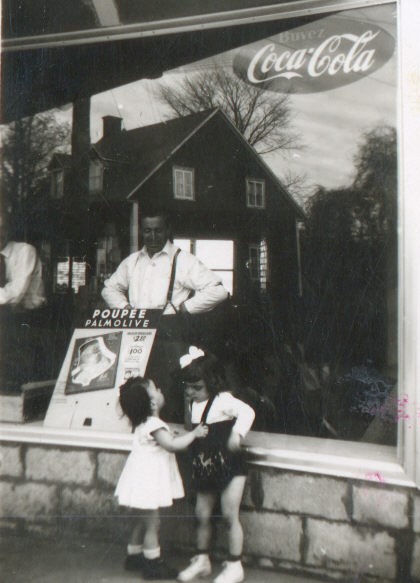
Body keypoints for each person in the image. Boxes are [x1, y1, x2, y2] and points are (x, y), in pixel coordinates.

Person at [101, 208, 228, 420]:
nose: (152, 236)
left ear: (167, 230)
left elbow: (219, 291)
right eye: (147, 231)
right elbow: (109, 289)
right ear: (141, 231)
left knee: (169, 399)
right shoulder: (132, 262)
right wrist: (126, 310)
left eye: (157, 231)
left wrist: (188, 307)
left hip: (170, 340)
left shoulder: (183, 260)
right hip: (137, 338)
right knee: (136, 394)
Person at [115, 375, 208, 580]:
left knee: (142, 521)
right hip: (148, 481)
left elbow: (162, 439)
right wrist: (194, 434)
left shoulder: (145, 423)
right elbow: (171, 445)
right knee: (153, 524)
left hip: (139, 479)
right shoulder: (155, 424)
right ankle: (152, 564)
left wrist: (171, 433)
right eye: (156, 388)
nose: (161, 390)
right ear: (152, 402)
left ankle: (134, 556)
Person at [176, 346, 255, 583]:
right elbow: (191, 427)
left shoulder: (222, 400)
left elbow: (247, 412)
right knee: (202, 514)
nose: (191, 392)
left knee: (230, 515)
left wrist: (236, 435)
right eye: (187, 387)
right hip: (205, 464)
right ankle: (202, 560)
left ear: (212, 381)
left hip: (230, 463)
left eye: (196, 387)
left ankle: (234, 565)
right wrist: (186, 404)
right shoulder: (192, 401)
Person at [0, 210, 47, 390]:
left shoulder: (25, 251)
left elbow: (15, 294)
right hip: (5, 319)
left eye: (1, 228)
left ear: (9, 230)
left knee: (19, 379)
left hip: (27, 321)